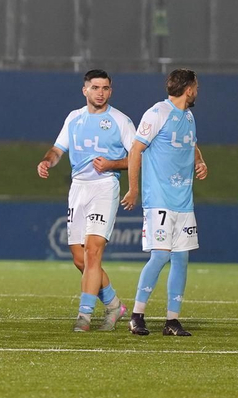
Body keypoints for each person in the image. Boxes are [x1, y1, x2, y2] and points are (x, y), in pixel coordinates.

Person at [36, 69, 134, 332]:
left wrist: (113, 163)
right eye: (95, 87)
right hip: (78, 187)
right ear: (85, 90)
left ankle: (85, 315)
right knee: (80, 258)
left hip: (104, 186)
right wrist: (47, 161)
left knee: (93, 251)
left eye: (105, 88)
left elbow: (138, 157)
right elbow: (58, 149)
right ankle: (114, 304)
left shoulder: (120, 120)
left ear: (110, 91)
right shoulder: (74, 118)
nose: (100, 93)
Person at [122, 68, 207, 337]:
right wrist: (133, 189)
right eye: (196, 85)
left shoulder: (189, 116)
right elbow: (136, 149)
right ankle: (137, 316)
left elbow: (191, 143)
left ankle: (172, 321)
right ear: (189, 88)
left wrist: (200, 161)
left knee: (181, 259)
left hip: (184, 201)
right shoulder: (157, 113)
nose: (198, 90)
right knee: (160, 256)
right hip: (159, 199)